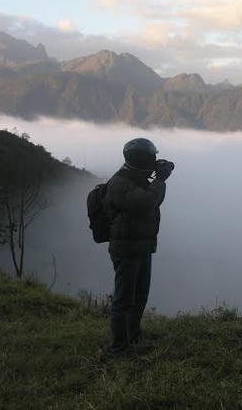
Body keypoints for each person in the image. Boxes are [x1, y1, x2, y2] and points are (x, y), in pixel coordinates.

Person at [104, 137, 174, 355]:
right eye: (151, 157)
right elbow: (146, 202)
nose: (154, 160)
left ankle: (134, 337)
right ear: (142, 158)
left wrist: (157, 174)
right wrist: (160, 179)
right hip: (126, 250)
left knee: (139, 296)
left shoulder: (136, 177)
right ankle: (118, 348)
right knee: (124, 300)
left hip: (141, 247)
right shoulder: (119, 183)